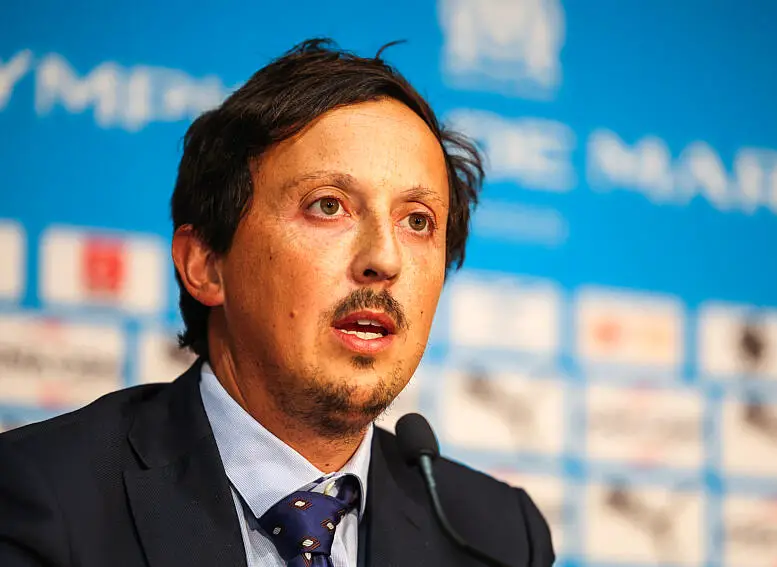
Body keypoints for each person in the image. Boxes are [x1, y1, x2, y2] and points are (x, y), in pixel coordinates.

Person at [0, 39, 555, 567]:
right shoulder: (40, 498)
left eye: (417, 221)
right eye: (328, 206)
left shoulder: (497, 538)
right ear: (206, 264)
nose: (385, 259)